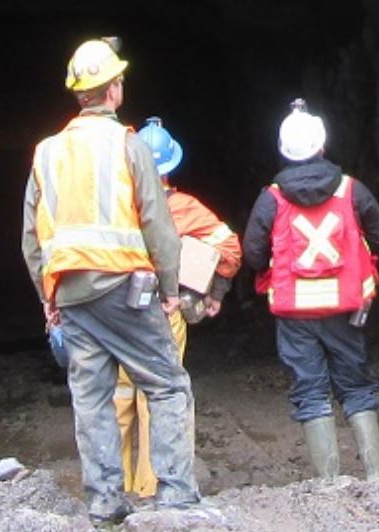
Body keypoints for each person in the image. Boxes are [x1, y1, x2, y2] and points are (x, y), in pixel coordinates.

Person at [22, 39, 209, 524]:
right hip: (125, 289)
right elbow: (159, 226)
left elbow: (31, 237)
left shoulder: (46, 153)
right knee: (167, 384)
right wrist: (171, 289)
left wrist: (47, 296)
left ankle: (105, 500)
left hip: (72, 293)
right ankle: (175, 494)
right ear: (115, 89)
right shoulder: (130, 146)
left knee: (91, 396)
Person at [242, 100, 379, 484]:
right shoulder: (351, 189)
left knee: (310, 390)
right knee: (355, 385)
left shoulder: (272, 198)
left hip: (295, 311)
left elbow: (253, 253)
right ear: (322, 145)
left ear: (283, 150)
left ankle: (328, 483)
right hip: (344, 306)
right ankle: (376, 477)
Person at [114, 117, 241, 501]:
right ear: (170, 167)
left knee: (118, 397)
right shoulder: (182, 207)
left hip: (114, 312)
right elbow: (230, 249)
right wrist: (215, 291)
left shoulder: (112, 203)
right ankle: (152, 488)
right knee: (159, 395)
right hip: (163, 310)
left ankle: (115, 490)